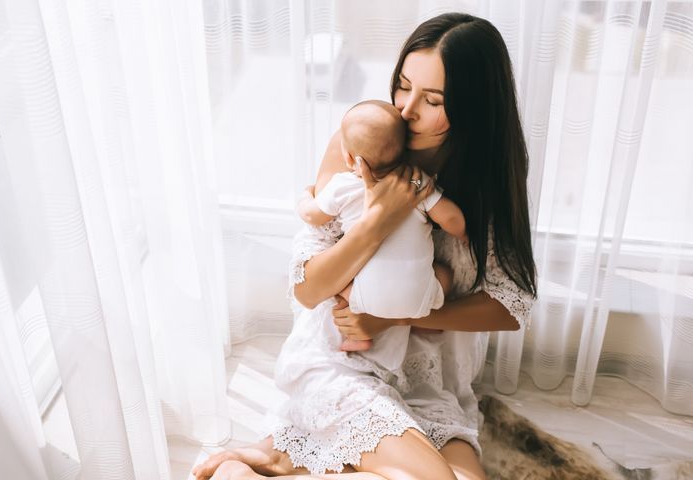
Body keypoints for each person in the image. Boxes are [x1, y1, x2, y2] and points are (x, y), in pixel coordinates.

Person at [192, 11, 536, 480]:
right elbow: (309, 289)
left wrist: (403, 313)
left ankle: (267, 465)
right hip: (342, 364)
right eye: (403, 84)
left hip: (429, 381)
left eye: (432, 99)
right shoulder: (362, 144)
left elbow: (510, 305)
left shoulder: (487, 179)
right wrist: (380, 218)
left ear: (474, 107)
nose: (406, 109)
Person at [294, 99, 465, 364]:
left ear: (350, 158)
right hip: (420, 298)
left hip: (364, 298)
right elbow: (453, 219)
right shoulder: (417, 182)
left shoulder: (343, 185)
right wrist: (463, 234)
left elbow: (313, 216)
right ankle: (424, 321)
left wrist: (306, 196)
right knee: (444, 273)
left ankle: (357, 338)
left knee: (338, 284)